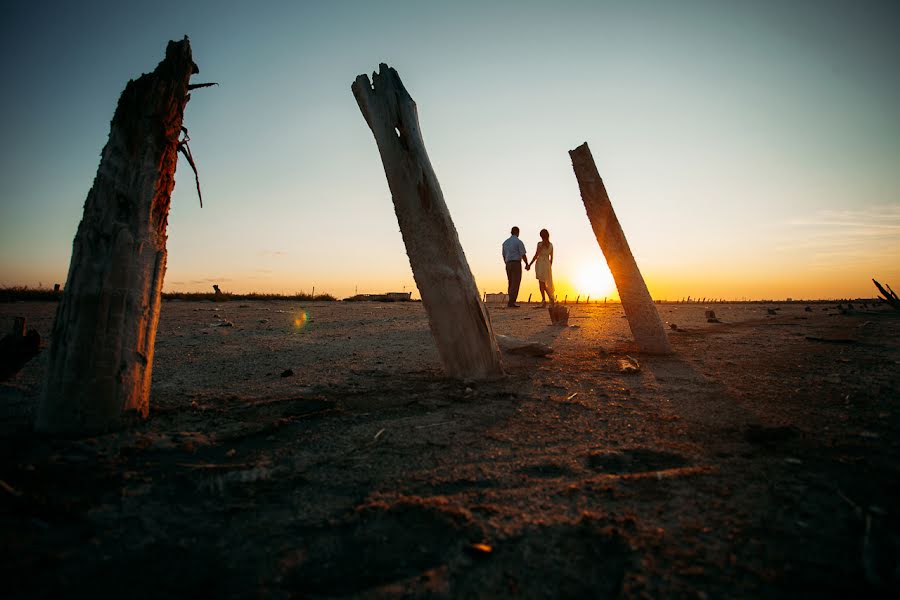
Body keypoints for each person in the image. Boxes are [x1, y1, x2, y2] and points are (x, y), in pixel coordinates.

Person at [501, 226, 529, 308]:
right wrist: (526, 264)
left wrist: (506, 263)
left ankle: (511, 300)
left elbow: (503, 255)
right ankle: (511, 301)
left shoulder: (505, 242)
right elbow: (523, 254)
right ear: (517, 232)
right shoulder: (518, 242)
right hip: (516, 263)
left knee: (510, 282)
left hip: (508, 263)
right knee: (515, 282)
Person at [527, 229, 554, 306]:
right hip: (547, 265)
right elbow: (551, 258)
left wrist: (530, 264)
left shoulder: (540, 244)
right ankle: (549, 298)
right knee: (544, 283)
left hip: (541, 264)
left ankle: (545, 300)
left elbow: (536, 255)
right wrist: (549, 267)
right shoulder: (551, 245)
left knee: (541, 283)